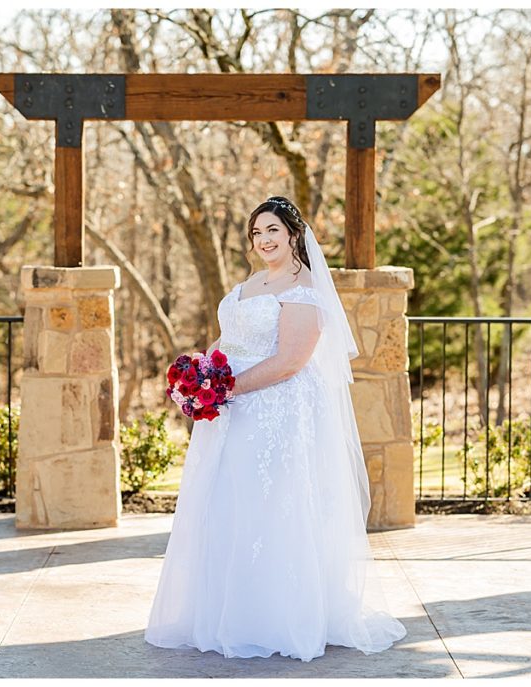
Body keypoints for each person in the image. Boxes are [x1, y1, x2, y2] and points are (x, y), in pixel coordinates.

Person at [144, 196, 408, 662]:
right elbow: (230, 337)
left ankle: (276, 618)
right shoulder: (253, 282)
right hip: (231, 414)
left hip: (274, 415)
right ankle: (227, 613)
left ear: (292, 234)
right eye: (257, 233)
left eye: (272, 231)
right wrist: (199, 375)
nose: (264, 240)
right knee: (229, 506)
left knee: (271, 507)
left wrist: (226, 388)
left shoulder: (304, 290)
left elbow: (290, 363)